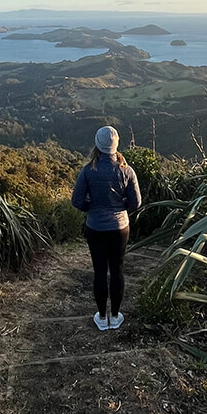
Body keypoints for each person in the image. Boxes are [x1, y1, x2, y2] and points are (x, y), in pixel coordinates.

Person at [71, 126, 142, 331]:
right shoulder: (127, 170)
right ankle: (115, 315)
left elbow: (76, 200)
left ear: (97, 144)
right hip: (120, 227)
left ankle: (101, 317)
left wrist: (91, 208)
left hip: (95, 227)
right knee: (117, 269)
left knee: (100, 271)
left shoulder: (87, 171)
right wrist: (120, 209)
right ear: (116, 145)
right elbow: (135, 203)